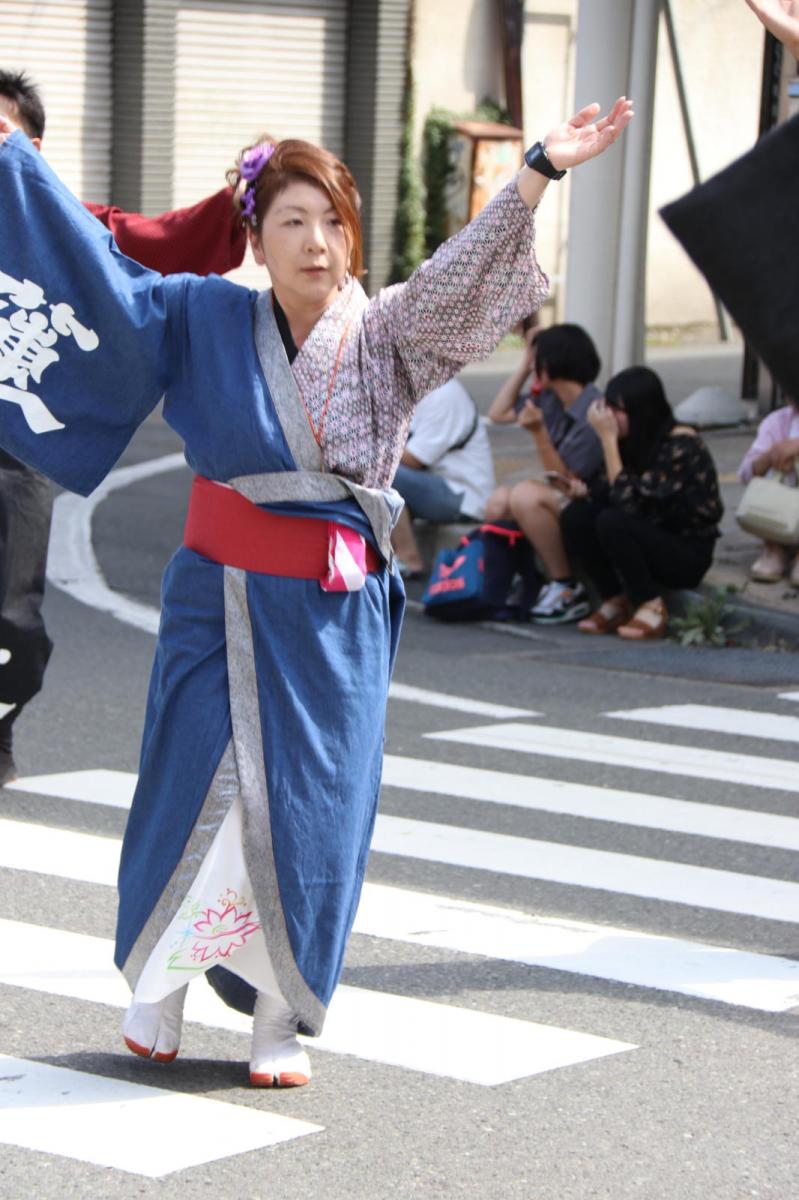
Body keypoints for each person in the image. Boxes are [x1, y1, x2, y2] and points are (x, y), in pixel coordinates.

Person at [0, 96, 633, 1085]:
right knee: (192, 791)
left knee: (304, 812)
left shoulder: (386, 337)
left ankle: (274, 1023)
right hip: (215, 599)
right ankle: (157, 994)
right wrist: (16, 171)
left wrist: (541, 166)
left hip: (333, 619)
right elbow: (105, 290)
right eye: (290, 220)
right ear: (254, 238)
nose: (315, 240)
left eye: (333, 219)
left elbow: (460, 276)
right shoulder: (202, 314)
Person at [0, 69, 247, 785]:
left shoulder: (70, 229)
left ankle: (1, 726)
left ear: (31, 148)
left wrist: (250, 197)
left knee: (11, 620)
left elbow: (166, 240)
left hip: (19, 450)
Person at [560, 366, 723, 640]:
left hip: (685, 551)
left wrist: (609, 441)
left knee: (613, 521)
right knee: (577, 516)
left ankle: (649, 603)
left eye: (617, 409)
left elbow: (629, 503)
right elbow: (607, 490)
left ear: (641, 410)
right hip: (646, 536)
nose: (609, 417)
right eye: (607, 407)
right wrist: (582, 492)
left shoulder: (682, 445)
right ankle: (614, 599)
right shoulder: (633, 440)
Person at [486, 323, 603, 623]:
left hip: (587, 497)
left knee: (525, 497)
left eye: (537, 359)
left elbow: (564, 478)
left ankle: (565, 586)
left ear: (549, 365)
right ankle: (521, 579)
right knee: (499, 501)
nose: (533, 364)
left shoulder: (593, 409)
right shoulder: (551, 399)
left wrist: (539, 433)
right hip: (561, 491)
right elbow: (498, 413)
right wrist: (525, 365)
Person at [390, 377, 495, 577]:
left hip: (463, 495)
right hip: (431, 484)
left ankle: (409, 558)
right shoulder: (410, 390)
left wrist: (366, 447)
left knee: (384, 474)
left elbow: (415, 458)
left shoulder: (443, 394)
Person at [737, 397, 799, 583]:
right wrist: (772, 455)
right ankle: (774, 548)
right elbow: (747, 473)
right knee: (770, 475)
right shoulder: (777, 421)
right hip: (782, 512)